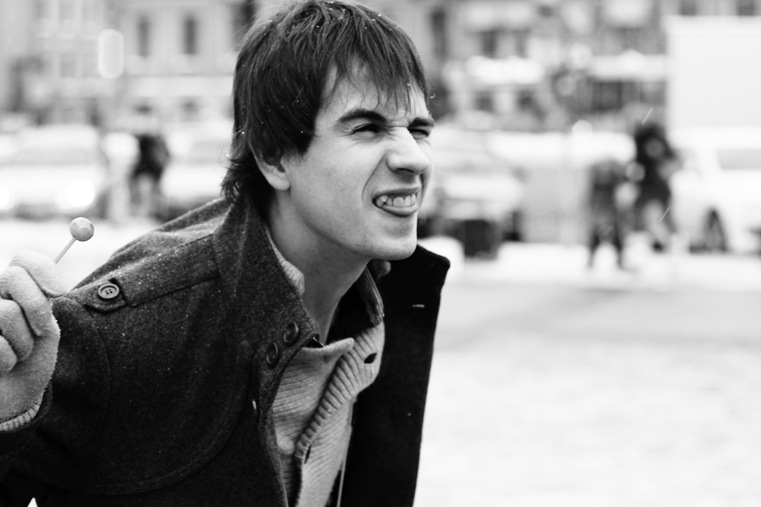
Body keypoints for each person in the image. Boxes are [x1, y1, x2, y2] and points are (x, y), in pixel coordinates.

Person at [0, 1, 449, 506]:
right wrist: (6, 418)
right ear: (274, 156)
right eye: (366, 128)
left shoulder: (391, 294)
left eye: (419, 130)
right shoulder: (131, 327)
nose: (413, 157)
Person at [628, 122, 679, 252]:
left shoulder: (655, 154)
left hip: (655, 194)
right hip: (651, 193)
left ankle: (668, 244)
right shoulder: (647, 157)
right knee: (655, 221)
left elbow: (668, 169)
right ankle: (665, 244)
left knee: (655, 221)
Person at [128, 105, 171, 218]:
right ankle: (147, 214)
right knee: (146, 194)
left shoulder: (153, 138)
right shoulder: (149, 138)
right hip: (149, 169)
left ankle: (149, 214)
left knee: (149, 194)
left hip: (151, 169)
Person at [585, 158, 628, 269]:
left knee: (615, 238)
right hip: (603, 215)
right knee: (597, 237)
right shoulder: (598, 187)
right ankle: (592, 260)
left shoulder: (612, 185)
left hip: (608, 215)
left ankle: (619, 260)